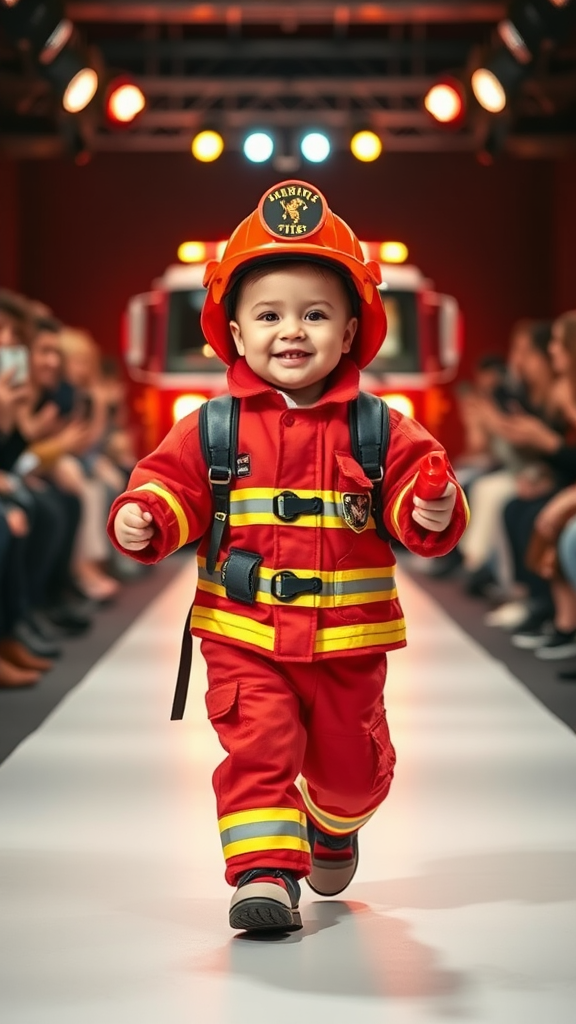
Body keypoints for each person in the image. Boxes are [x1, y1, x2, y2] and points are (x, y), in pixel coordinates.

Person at [108, 181, 469, 935]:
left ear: (351, 331)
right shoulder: (210, 425)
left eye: (314, 314)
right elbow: (166, 487)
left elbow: (420, 495)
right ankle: (263, 875)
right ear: (235, 332)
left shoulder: (383, 426)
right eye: (268, 315)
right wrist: (145, 518)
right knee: (258, 747)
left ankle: (335, 821)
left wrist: (430, 509)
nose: (291, 331)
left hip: (348, 642)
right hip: (242, 633)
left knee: (347, 767)